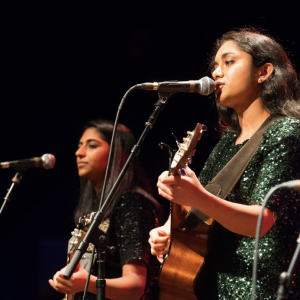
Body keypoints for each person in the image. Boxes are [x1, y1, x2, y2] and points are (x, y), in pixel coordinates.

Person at [149, 28, 300, 299]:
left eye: (228, 62)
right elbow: (198, 207)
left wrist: (197, 195)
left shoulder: (287, 131)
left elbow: (263, 221)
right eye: (215, 66)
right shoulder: (227, 143)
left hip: (258, 286)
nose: (216, 73)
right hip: (211, 283)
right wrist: (166, 229)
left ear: (263, 72)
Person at [49, 119, 161, 300]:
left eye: (92, 146)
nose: (79, 153)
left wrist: (87, 283)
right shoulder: (94, 208)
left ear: (117, 153)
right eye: (79, 146)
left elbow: (135, 287)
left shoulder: (131, 202)